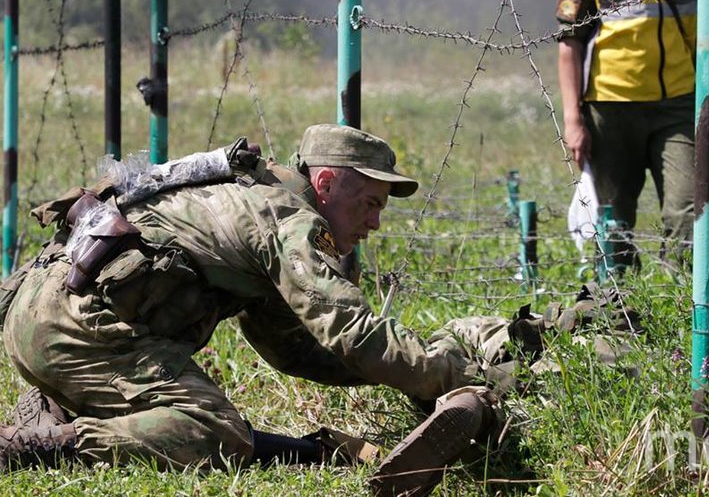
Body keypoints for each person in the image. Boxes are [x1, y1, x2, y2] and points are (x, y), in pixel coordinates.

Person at [0, 124, 562, 495]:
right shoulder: (290, 219)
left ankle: (54, 403)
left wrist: (412, 378)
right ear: (325, 183)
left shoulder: (253, 194)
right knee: (218, 434)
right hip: (85, 332)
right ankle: (50, 445)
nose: (375, 222)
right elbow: (350, 331)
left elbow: (295, 347)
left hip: (44, 316)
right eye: (368, 203)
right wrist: (458, 376)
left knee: (217, 423)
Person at [556, 0, 697, 267]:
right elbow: (569, 38)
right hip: (610, 105)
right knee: (612, 221)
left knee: (688, 211)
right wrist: (573, 119)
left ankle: (684, 301)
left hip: (679, 102)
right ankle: (615, 305)